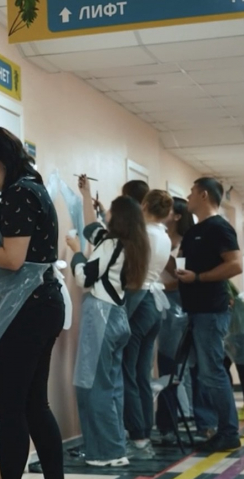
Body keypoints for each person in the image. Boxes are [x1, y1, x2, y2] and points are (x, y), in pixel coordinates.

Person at [0, 127, 65, 479]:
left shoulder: (19, 194)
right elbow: (11, 237)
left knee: (10, 406)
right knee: (34, 404)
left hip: (29, 309)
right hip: (43, 305)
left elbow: (12, 258)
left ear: (2, 161)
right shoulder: (31, 188)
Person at [67, 175, 150, 468]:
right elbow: (92, 228)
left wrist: (76, 252)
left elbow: (84, 277)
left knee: (92, 386)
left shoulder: (111, 244)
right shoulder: (129, 245)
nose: (107, 214)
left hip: (100, 316)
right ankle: (115, 448)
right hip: (118, 318)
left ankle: (104, 453)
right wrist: (86, 193)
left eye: (111, 211)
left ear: (120, 218)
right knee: (112, 387)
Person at [176, 178, 243, 452]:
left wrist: (199, 277)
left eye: (192, 192)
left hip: (211, 312)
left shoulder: (218, 228)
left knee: (212, 372)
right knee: (204, 373)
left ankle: (229, 432)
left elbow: (235, 264)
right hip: (196, 310)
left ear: (204, 195)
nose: (188, 196)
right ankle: (215, 427)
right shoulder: (194, 231)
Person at [121, 190, 172, 459]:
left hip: (139, 301)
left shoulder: (145, 235)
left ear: (144, 205)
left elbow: (130, 270)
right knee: (142, 374)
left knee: (128, 372)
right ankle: (144, 434)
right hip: (153, 304)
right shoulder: (163, 236)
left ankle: (137, 436)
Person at [155, 197, 196, 444]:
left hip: (174, 309)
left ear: (177, 216)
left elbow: (179, 279)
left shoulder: (182, 243)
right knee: (167, 366)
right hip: (161, 306)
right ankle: (167, 424)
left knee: (171, 366)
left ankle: (172, 423)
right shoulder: (161, 237)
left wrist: (156, 284)